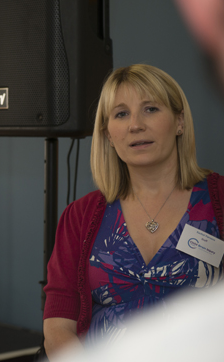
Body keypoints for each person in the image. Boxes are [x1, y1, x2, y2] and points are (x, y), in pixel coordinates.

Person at [42, 64, 224, 359]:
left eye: (150, 109)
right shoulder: (80, 215)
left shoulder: (219, 200)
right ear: (109, 135)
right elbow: (58, 328)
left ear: (179, 122)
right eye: (121, 114)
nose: (135, 125)